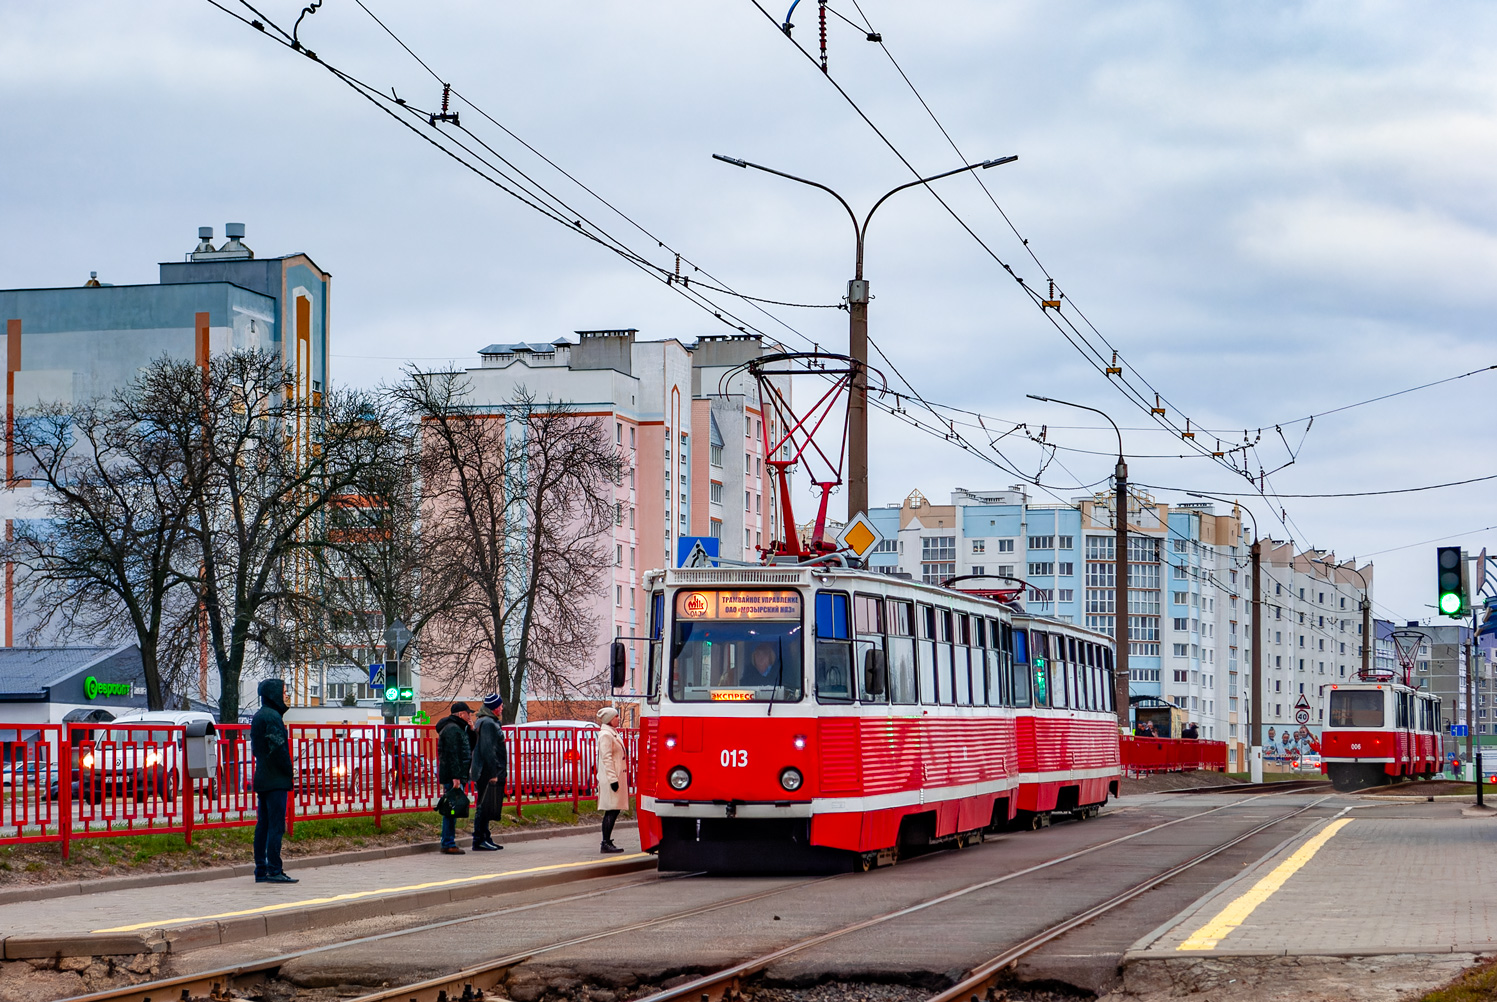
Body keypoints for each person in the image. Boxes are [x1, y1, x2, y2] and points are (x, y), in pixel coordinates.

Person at [251, 678, 297, 883]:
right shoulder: (272, 717)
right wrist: (289, 771)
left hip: (263, 776)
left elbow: (256, 750)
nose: (285, 696)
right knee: (276, 826)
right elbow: (279, 749)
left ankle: (260, 869)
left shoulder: (260, 716)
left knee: (263, 824)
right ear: (274, 694)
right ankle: (274, 869)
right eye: (283, 692)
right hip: (275, 779)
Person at [435, 702, 475, 855]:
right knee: (451, 810)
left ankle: (448, 841)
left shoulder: (458, 728)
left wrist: (471, 730)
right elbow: (452, 755)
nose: (470, 716)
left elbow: (469, 747)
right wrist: (456, 778)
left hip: (457, 775)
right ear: (460, 714)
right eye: (468, 713)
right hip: (454, 777)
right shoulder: (452, 729)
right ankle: (448, 842)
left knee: (452, 809)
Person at [469, 693, 507, 851]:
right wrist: (493, 773)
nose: (502, 708)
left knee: (487, 804)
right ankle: (479, 839)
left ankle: (485, 836)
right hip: (488, 771)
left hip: (486, 770)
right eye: (500, 705)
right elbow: (488, 750)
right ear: (495, 707)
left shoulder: (484, 721)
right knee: (484, 805)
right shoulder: (489, 723)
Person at [596, 706, 629, 854]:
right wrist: (612, 779)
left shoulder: (612, 733)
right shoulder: (605, 735)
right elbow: (606, 758)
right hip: (611, 778)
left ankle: (607, 841)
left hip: (616, 776)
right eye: (616, 717)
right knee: (611, 810)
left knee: (614, 810)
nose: (618, 719)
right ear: (609, 719)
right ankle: (605, 842)